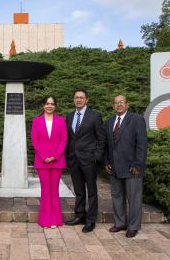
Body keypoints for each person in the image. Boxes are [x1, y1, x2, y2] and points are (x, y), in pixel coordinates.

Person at [105, 95, 147, 238]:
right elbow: (107, 145)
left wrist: (138, 164)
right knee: (117, 196)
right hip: (115, 167)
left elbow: (142, 144)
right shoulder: (109, 122)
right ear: (113, 106)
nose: (119, 105)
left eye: (121, 102)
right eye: (116, 103)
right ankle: (120, 223)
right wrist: (106, 162)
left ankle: (133, 226)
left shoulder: (136, 120)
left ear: (127, 105)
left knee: (133, 198)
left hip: (132, 168)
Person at [65, 88, 106, 233]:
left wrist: (97, 157)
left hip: (89, 159)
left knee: (92, 191)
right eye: (76, 97)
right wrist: (67, 156)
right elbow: (69, 138)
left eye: (81, 97)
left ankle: (90, 220)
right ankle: (79, 215)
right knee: (79, 190)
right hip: (74, 159)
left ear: (86, 100)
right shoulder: (69, 116)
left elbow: (101, 139)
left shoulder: (95, 116)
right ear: (73, 99)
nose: (79, 99)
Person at [31, 95, 68, 228]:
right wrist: (43, 156)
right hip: (42, 162)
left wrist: (55, 156)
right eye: (47, 103)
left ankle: (56, 220)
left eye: (52, 103)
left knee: (54, 190)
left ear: (55, 106)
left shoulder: (61, 121)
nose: (49, 106)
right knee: (45, 190)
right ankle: (45, 220)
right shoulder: (36, 121)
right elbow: (34, 140)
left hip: (57, 161)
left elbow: (64, 140)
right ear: (43, 106)